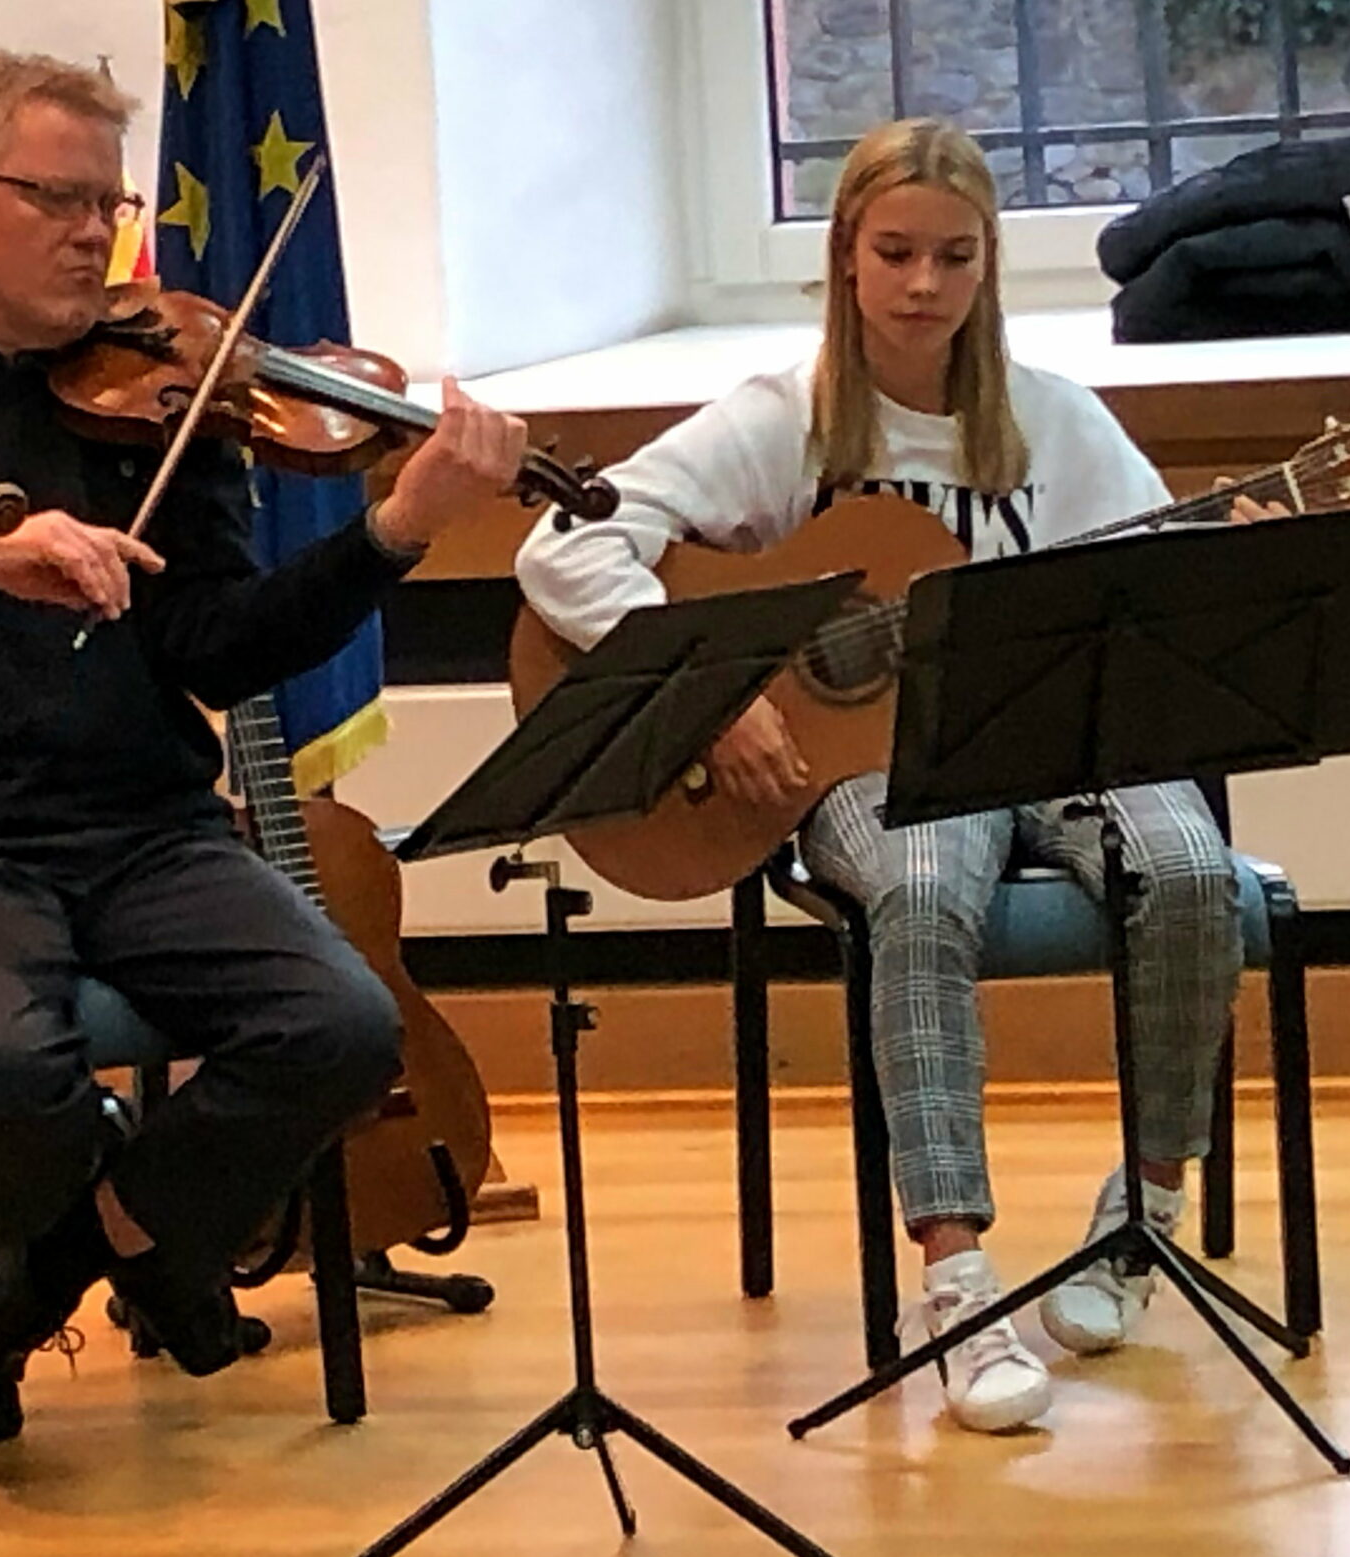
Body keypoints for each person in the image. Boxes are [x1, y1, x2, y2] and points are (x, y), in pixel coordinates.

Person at [0, 51, 528, 1442]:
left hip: (146, 830)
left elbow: (215, 646)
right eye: (60, 200)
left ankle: (67, 1269)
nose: (97, 236)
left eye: (112, 206)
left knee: (340, 1023)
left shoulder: (161, 397)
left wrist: (395, 533)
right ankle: (158, 1248)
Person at [518, 119, 1276, 1436]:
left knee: (1192, 871)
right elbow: (563, 552)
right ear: (846, 262)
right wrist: (723, 699)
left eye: (954, 257)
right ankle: (956, 1282)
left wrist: (1237, 558)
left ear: (988, 271)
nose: (923, 284)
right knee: (920, 892)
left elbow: (1154, 590)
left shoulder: (1051, 419)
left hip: (1053, 735)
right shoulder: (784, 422)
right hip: (869, 765)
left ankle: (1142, 1219)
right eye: (895, 253)